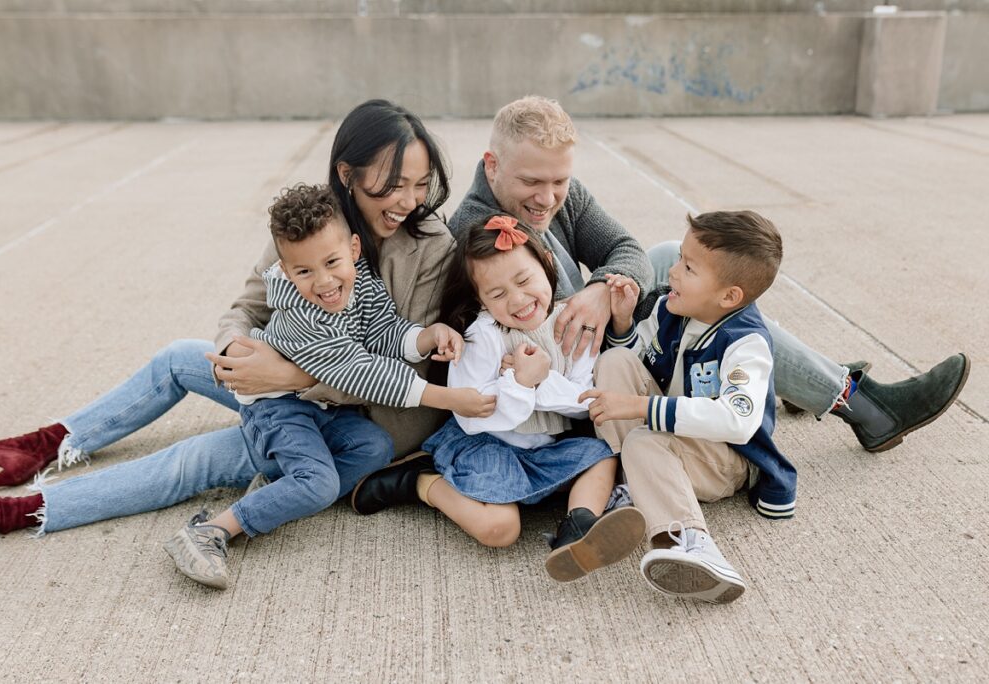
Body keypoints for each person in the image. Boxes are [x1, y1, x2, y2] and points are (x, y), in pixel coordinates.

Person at [0, 100, 458, 541]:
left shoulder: (431, 247)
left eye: (419, 184)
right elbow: (246, 309)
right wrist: (236, 355)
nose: (408, 200)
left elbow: (404, 367)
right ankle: (39, 446)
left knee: (190, 461)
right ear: (347, 175)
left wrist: (292, 376)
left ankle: (17, 512)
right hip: (273, 391)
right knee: (180, 355)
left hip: (354, 416)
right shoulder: (310, 225)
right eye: (392, 185)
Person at [447, 95, 969, 454]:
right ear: (492, 165)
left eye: (559, 180)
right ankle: (863, 404)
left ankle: (806, 378)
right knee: (698, 286)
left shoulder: (559, 192)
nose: (546, 198)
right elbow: (538, 317)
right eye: (531, 181)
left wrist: (604, 286)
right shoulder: (478, 230)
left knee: (675, 254)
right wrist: (600, 296)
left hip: (601, 325)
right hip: (573, 371)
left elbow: (622, 246)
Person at [165, 183, 491, 589]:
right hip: (275, 405)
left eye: (332, 262)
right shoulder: (303, 312)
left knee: (374, 446)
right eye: (304, 271)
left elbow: (383, 332)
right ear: (286, 271)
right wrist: (448, 398)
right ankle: (212, 530)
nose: (323, 282)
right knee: (318, 484)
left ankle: (281, 489)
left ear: (354, 249)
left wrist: (428, 335)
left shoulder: (360, 282)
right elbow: (361, 370)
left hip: (318, 406)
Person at [351, 215, 646, 582]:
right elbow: (474, 412)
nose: (519, 299)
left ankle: (579, 524)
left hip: (545, 447)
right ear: (480, 298)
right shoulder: (482, 335)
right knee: (501, 530)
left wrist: (537, 383)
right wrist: (520, 385)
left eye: (524, 280)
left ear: (547, 265)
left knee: (603, 459)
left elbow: (582, 397)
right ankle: (421, 481)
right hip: (486, 444)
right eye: (498, 294)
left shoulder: (571, 321)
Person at [583, 209, 794, 604]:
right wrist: (624, 324)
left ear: (730, 296)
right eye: (679, 258)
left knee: (644, 442)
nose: (673, 272)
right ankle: (624, 483)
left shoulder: (745, 343)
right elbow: (639, 362)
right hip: (675, 435)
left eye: (689, 267)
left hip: (725, 457)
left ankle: (691, 542)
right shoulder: (671, 308)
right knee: (614, 361)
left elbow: (739, 421)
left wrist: (644, 408)